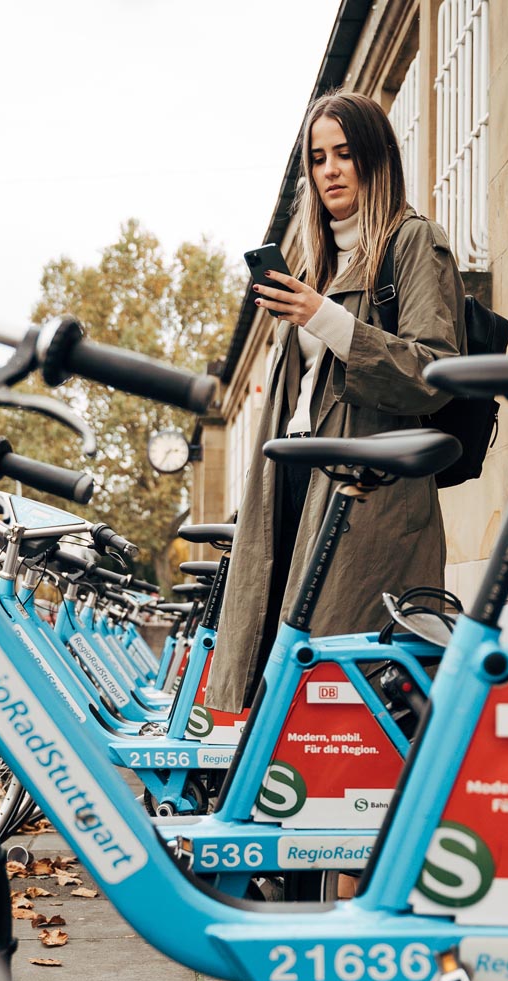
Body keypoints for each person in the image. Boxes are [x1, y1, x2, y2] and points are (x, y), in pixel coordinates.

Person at [205, 88, 466, 716]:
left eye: (344, 154)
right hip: (296, 474)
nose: (330, 171)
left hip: (364, 491)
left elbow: (437, 371)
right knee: (281, 658)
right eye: (318, 159)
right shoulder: (317, 263)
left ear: (376, 160)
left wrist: (326, 318)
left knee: (344, 672)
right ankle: (278, 801)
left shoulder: (413, 241)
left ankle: (361, 804)